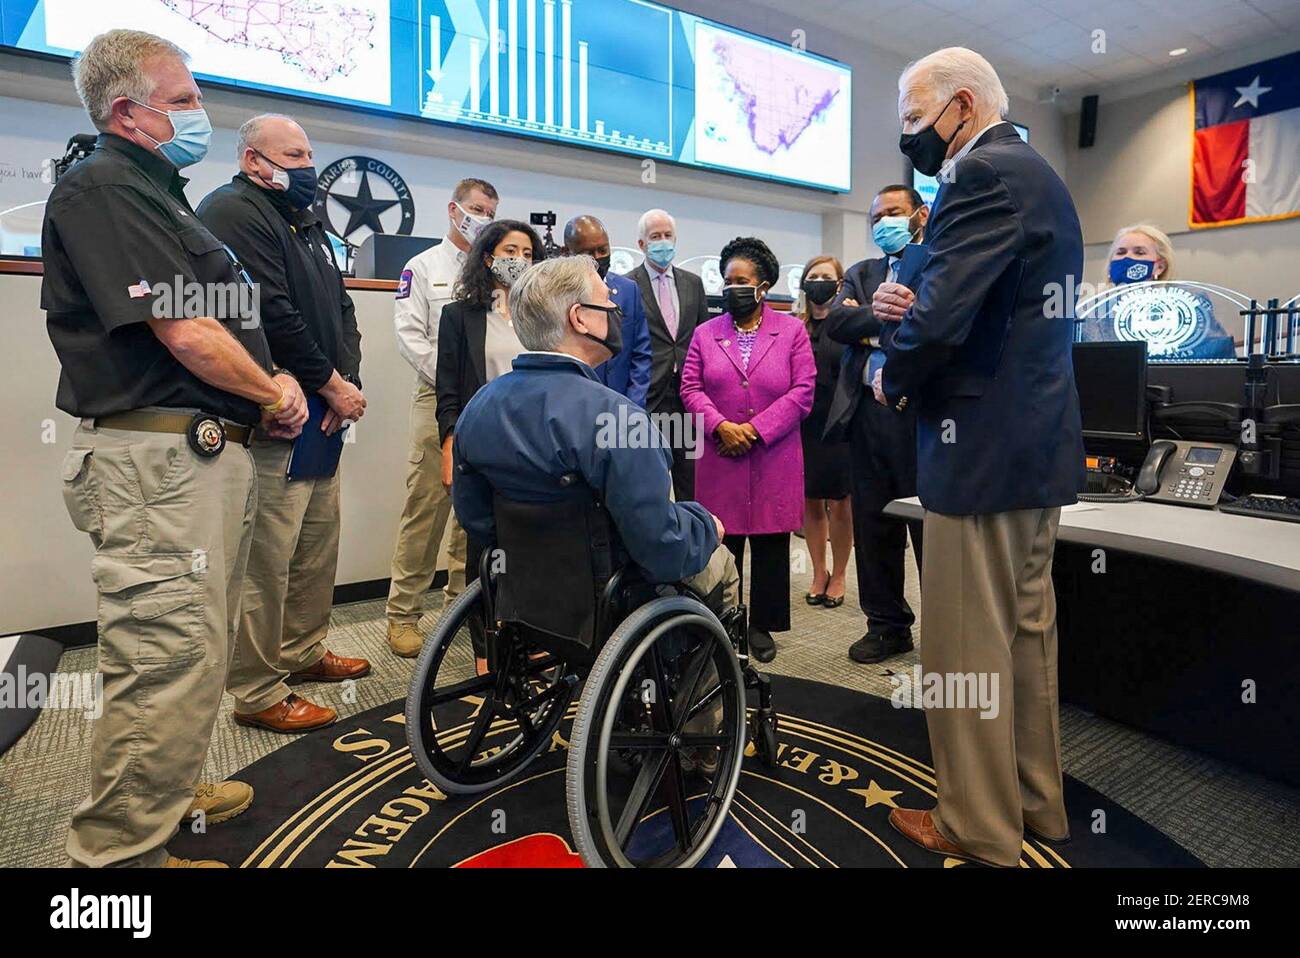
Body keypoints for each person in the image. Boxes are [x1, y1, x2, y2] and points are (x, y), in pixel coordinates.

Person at [43, 30, 308, 867]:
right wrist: (272, 391)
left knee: (192, 649)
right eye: (185, 99)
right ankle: (117, 866)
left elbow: (220, 323)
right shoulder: (104, 190)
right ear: (129, 110)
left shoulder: (162, 196)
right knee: (162, 659)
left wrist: (266, 387)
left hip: (196, 460)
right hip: (156, 464)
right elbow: (186, 332)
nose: (200, 114)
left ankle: (168, 800)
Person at [873, 47, 1086, 868]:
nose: (912, 142)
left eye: (915, 122)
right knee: (1028, 638)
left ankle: (975, 826)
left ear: (962, 105)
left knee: (964, 649)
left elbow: (941, 322)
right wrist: (915, 298)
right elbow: (984, 298)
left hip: (978, 451)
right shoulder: (1037, 173)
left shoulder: (978, 175)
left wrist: (891, 369)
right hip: (1034, 449)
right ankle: (1037, 806)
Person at [197, 113, 371, 734]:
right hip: (278, 416)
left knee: (315, 546)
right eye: (293, 156)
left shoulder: (307, 221)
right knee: (266, 559)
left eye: (309, 155)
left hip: (326, 412)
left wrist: (344, 384)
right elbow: (268, 309)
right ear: (253, 162)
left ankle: (301, 650)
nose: (307, 167)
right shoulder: (233, 212)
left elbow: (340, 306)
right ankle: (257, 687)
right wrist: (327, 384)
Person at [452, 254, 739, 621]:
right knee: (721, 563)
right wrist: (704, 525)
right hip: (610, 595)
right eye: (607, 302)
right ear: (579, 317)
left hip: (526, 589)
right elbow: (661, 548)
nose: (617, 311)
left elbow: (475, 517)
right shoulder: (621, 419)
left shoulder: (479, 407)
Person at [680, 237, 816, 664]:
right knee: (724, 540)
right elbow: (689, 387)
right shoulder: (706, 333)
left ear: (764, 286)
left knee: (772, 545)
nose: (731, 287)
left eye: (742, 280)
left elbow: (804, 390)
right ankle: (722, 620)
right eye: (727, 280)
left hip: (773, 454)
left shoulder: (791, 330)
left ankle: (762, 626)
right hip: (720, 453)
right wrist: (721, 425)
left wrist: (755, 430)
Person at [387, 177, 499, 657]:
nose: (483, 220)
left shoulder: (496, 274)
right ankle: (403, 615)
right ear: (454, 209)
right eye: (476, 209)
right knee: (426, 510)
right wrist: (455, 378)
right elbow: (409, 337)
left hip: (488, 407)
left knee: (471, 516)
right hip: (437, 399)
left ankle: (460, 606)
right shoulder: (422, 267)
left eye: (491, 212)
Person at [824, 185, 928, 663]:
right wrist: (881, 320)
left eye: (894, 212)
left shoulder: (936, 265)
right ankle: (886, 625)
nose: (885, 221)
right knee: (873, 525)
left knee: (930, 528)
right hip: (867, 415)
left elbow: (930, 326)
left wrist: (867, 324)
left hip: (921, 419)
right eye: (877, 216)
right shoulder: (862, 273)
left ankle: (947, 632)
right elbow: (836, 326)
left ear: (918, 216)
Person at [436, 219, 545, 492]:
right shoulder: (458, 316)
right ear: (488, 259)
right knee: (476, 527)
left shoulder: (544, 317)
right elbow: (448, 390)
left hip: (534, 440)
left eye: (527, 254)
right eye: (510, 251)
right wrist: (449, 446)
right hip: (482, 436)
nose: (519, 259)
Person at [630, 208, 711, 501]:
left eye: (667, 235)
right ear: (641, 244)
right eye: (655, 237)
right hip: (649, 396)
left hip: (689, 395)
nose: (662, 242)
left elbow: (704, 339)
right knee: (650, 480)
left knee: (691, 480)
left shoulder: (693, 283)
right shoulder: (628, 285)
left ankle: (692, 540)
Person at [1077, 222, 1235, 359]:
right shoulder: (1089, 307)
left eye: (1139, 252)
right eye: (1120, 252)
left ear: (1160, 266)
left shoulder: (1189, 300)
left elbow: (1214, 352)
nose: (1127, 258)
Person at [796, 255, 853, 609]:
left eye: (826, 276)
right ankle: (819, 571)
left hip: (841, 425)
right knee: (810, 501)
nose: (819, 281)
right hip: (803, 425)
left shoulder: (848, 326)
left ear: (840, 282)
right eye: (813, 276)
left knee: (841, 503)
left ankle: (841, 573)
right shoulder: (795, 327)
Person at [563, 214, 651, 406]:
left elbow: (641, 354)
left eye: (603, 250)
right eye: (588, 253)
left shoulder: (629, 290)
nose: (597, 259)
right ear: (568, 252)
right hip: (573, 404)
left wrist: (633, 406)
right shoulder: (556, 294)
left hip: (623, 405)